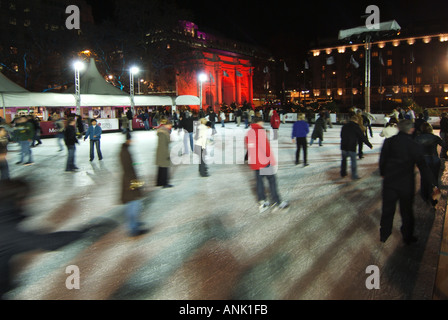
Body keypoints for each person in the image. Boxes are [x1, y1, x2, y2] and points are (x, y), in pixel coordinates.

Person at [0, 178, 85, 299]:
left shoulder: (4, 218)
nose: (29, 201)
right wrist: (84, 232)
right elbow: (47, 242)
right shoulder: (8, 231)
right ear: (17, 200)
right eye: (26, 198)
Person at [379, 120, 436, 244]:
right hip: (406, 184)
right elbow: (423, 166)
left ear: (399, 128)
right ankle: (407, 236)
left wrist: (383, 173)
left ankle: (384, 233)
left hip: (390, 183)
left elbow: (382, 160)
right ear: (411, 130)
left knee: (387, 209)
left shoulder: (389, 142)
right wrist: (431, 182)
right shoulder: (414, 145)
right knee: (407, 212)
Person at [246, 116, 289, 213]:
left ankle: (262, 202)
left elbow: (249, 148)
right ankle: (276, 201)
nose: (263, 124)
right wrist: (271, 161)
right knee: (272, 180)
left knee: (259, 182)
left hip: (255, 163)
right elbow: (266, 148)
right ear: (259, 122)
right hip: (264, 162)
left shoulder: (249, 133)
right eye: (262, 122)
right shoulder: (260, 132)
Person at [119, 133, 148, 237]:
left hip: (129, 180)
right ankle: (133, 227)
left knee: (133, 203)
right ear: (128, 140)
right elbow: (129, 169)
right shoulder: (125, 152)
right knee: (134, 203)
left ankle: (133, 224)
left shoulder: (124, 150)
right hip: (130, 181)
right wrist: (136, 183)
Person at [415, 122, 445, 206]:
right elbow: (445, 145)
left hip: (423, 160)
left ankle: (425, 196)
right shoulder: (435, 137)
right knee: (434, 178)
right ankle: (434, 197)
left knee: (424, 178)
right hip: (435, 159)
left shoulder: (418, 138)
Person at [340, 115, 373, 180]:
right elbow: (362, 137)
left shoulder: (344, 126)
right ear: (356, 120)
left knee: (344, 161)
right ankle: (354, 175)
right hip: (352, 146)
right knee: (353, 162)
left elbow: (341, 135)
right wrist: (369, 145)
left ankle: (343, 173)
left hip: (343, 146)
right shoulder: (356, 127)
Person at [156, 119, 173, 188]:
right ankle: (165, 183)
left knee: (161, 167)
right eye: (170, 126)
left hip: (160, 151)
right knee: (164, 168)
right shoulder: (164, 132)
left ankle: (159, 182)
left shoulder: (162, 131)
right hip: (163, 151)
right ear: (167, 125)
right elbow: (164, 144)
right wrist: (166, 154)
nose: (170, 127)